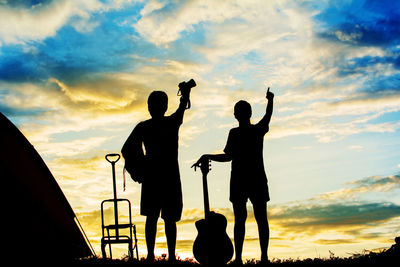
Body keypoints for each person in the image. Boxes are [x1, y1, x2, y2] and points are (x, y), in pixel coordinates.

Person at [193, 88, 274, 264]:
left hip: (243, 179)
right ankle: (261, 257)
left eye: (239, 111)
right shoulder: (253, 131)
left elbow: (227, 157)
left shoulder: (238, 133)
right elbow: (268, 116)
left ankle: (241, 258)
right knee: (258, 219)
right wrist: (270, 100)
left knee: (244, 220)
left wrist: (208, 156)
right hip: (250, 179)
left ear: (236, 115)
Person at [122, 81, 194, 262]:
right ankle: (167, 256)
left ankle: (153, 256)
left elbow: (127, 149)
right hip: (165, 175)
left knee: (155, 217)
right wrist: (138, 169)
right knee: (163, 218)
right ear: (164, 106)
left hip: (155, 175)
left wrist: (138, 168)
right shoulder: (168, 123)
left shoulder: (146, 126)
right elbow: (182, 108)